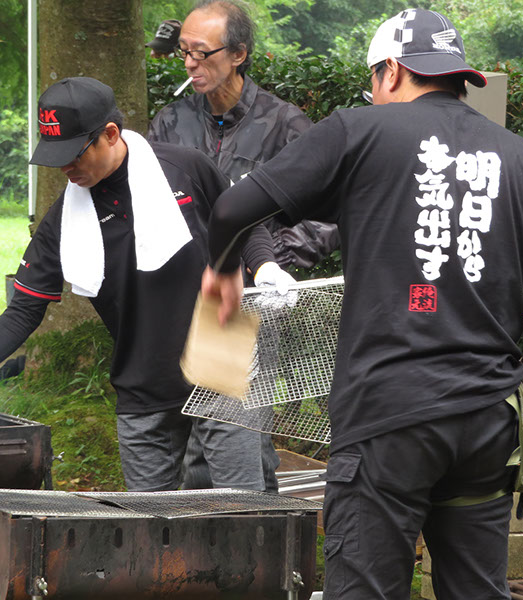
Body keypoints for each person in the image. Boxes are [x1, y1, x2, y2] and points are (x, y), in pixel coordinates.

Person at [201, 8, 523, 599]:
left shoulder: (357, 132)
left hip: (386, 418)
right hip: (489, 420)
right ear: (457, 76)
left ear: (390, 70)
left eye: (373, 79)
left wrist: (222, 274)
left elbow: (234, 209)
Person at [0, 76, 292, 496]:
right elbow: (24, 309)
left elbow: (240, 221)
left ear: (111, 134)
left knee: (241, 507)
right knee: (149, 522)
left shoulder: (185, 168)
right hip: (142, 382)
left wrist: (265, 266)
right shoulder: (64, 219)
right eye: (55, 156)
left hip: (222, 363)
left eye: (74, 153)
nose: (65, 168)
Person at [148, 0, 339, 493]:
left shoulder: (285, 124)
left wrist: (269, 264)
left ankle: (253, 522)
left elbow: (327, 213)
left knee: (237, 435)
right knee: (203, 431)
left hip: (249, 302)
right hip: (185, 298)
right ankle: (216, 525)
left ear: (238, 54)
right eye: (184, 51)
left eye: (202, 52)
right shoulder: (170, 123)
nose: (190, 63)